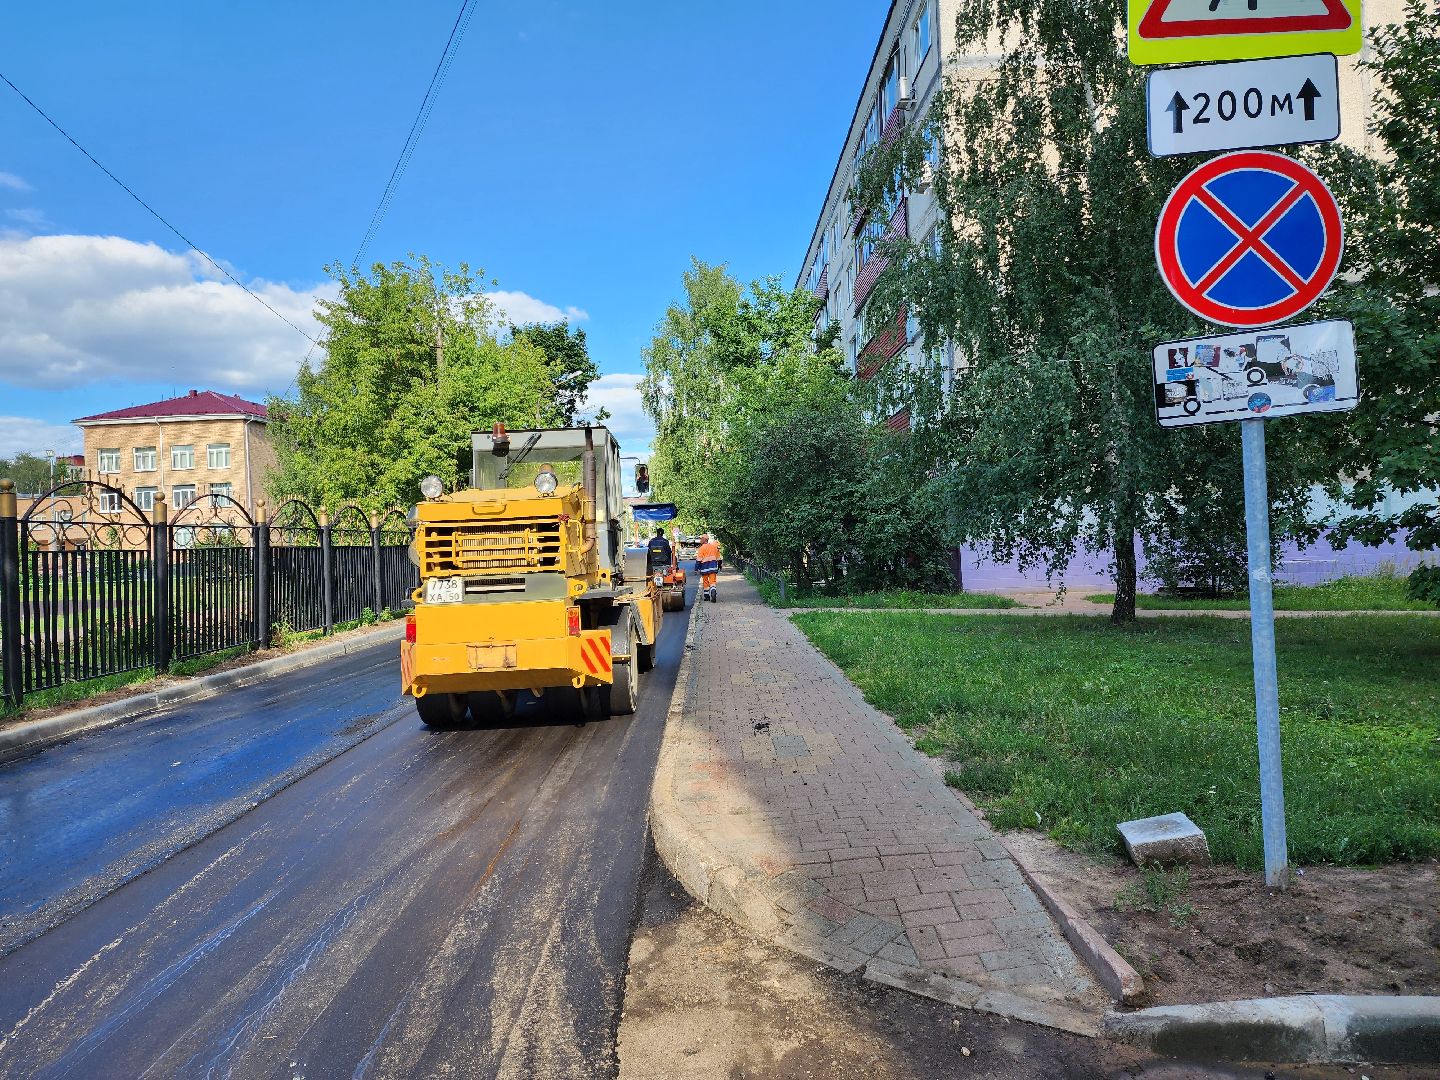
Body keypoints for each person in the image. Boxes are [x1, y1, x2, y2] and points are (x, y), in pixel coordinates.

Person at [695, 533, 722, 601]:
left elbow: (699, 560)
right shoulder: (713, 547)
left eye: (701, 539)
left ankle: (706, 597)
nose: (700, 540)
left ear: (704, 540)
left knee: (705, 582)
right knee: (713, 581)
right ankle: (713, 591)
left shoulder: (701, 548)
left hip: (704, 568)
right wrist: (719, 566)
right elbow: (718, 559)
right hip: (713, 567)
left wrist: (696, 569)